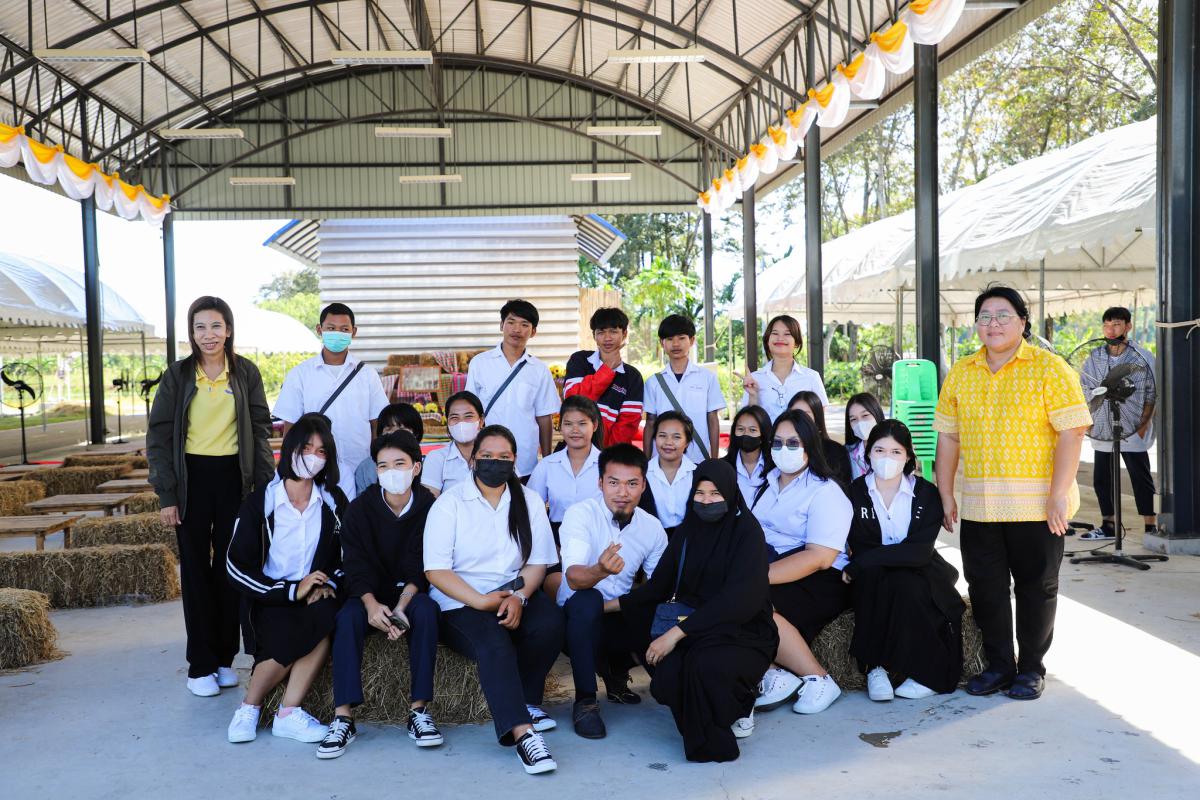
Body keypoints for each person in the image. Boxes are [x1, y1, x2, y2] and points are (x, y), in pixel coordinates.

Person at [934, 285, 1091, 701]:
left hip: (1038, 507)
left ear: (1023, 321)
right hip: (981, 507)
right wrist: (945, 492)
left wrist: (1058, 495)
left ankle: (1031, 668)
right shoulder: (962, 372)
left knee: (1036, 588)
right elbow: (948, 437)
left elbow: (1073, 432)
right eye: (985, 316)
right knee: (986, 589)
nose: (993, 324)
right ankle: (1000, 665)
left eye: (1003, 315)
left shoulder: (1049, 368)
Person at [148, 296, 274, 698]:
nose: (208, 335)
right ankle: (200, 664)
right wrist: (167, 494)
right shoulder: (178, 375)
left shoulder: (246, 372)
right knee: (196, 572)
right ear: (191, 332)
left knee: (229, 570)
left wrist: (265, 489)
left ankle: (223, 659)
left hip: (234, 479)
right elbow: (159, 437)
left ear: (229, 330)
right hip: (192, 481)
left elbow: (260, 430)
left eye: (216, 326)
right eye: (200, 327)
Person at [424, 425, 565, 775]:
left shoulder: (528, 500)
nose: (495, 463)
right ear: (473, 460)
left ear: (514, 461)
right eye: (487, 456)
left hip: (512, 591)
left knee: (550, 623)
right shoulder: (449, 503)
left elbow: (538, 562)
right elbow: (436, 571)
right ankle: (523, 733)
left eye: (504, 457)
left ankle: (526, 701)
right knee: (495, 643)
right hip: (460, 600)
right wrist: (480, 602)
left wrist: (520, 596)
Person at [620, 460, 778, 763]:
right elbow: (659, 586)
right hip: (692, 625)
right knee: (668, 675)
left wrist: (677, 633)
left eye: (715, 493)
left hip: (741, 629)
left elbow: (740, 599)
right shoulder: (688, 530)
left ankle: (737, 704)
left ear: (730, 494)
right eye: (700, 493)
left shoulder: (746, 531)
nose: (706, 501)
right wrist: (610, 606)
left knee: (704, 667)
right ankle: (721, 711)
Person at [225, 413, 348, 745]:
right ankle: (249, 707)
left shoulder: (333, 501)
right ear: (290, 448)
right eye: (306, 448)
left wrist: (327, 583)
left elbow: (350, 556)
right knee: (288, 630)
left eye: (321, 451)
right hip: (270, 596)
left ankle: (288, 713)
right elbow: (235, 565)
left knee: (326, 616)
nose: (313, 457)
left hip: (315, 596)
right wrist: (291, 590)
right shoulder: (262, 502)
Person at [319, 430, 443, 759]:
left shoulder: (430, 507)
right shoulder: (360, 509)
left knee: (426, 612)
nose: (391, 472)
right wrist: (371, 604)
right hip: (368, 592)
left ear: (416, 467)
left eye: (400, 464)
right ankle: (343, 716)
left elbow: (424, 563)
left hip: (410, 591)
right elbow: (354, 564)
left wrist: (401, 608)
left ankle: (419, 710)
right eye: (383, 465)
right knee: (347, 619)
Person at [845, 420, 965, 701]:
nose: (886, 458)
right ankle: (875, 667)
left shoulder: (926, 493)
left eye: (896, 452)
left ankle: (925, 672)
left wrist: (862, 562)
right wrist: (865, 563)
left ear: (908, 456)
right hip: (873, 574)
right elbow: (860, 543)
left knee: (907, 586)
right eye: (879, 450)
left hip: (919, 567)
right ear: (868, 453)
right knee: (875, 583)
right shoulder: (854, 493)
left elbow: (919, 551)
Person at [557, 444, 668, 739]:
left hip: (617, 612)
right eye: (614, 482)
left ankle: (619, 672)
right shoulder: (580, 515)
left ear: (643, 485)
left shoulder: (652, 527)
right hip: (575, 620)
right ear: (600, 483)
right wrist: (600, 570)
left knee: (655, 611)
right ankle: (585, 701)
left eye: (632, 483)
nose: (622, 492)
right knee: (588, 599)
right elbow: (574, 579)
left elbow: (659, 586)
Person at [751, 410, 853, 716]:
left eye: (793, 443)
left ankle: (819, 679)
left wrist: (755, 578)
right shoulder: (768, 484)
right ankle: (774, 674)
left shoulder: (825, 491)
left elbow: (819, 557)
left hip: (820, 577)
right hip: (772, 565)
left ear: (809, 445)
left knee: (749, 600)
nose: (784, 449)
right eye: (778, 442)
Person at [274, 302, 390, 500]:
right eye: (331, 328)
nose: (337, 333)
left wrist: (376, 462)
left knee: (357, 516)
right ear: (320, 330)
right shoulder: (300, 375)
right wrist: (288, 468)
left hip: (359, 468)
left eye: (344, 329)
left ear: (354, 332)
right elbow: (290, 428)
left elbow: (376, 424)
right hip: (314, 470)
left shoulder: (367, 375)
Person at [1079, 306, 1158, 539]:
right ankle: (1109, 525)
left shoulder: (1142, 356)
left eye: (1116, 324)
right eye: (1106, 325)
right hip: (1102, 424)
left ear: (1128, 326)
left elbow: (1151, 392)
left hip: (1132, 425)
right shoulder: (1095, 356)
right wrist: (1089, 422)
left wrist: (1143, 424)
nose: (1110, 330)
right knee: (1102, 479)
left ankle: (1150, 525)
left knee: (1140, 477)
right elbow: (1084, 387)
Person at [466, 299, 560, 480]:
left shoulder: (539, 369)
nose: (517, 329)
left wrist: (547, 461)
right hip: (487, 455)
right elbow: (470, 412)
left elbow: (544, 418)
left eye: (524, 324)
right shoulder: (480, 363)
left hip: (525, 461)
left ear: (533, 332)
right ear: (501, 325)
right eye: (511, 322)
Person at [528, 395, 604, 600]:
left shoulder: (607, 464)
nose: (575, 430)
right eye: (568, 424)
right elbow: (531, 510)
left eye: (582, 423)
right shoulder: (547, 465)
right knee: (558, 586)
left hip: (598, 540)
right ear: (560, 426)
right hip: (556, 541)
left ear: (595, 425)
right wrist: (551, 545)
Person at [643, 314, 726, 463]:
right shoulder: (653, 382)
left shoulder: (707, 378)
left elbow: (713, 419)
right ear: (662, 343)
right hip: (662, 460)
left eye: (681, 338)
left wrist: (714, 461)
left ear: (692, 340)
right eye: (669, 339)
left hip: (699, 458)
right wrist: (646, 462)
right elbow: (650, 423)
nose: (676, 344)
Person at [564, 307, 645, 446]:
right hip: (575, 448)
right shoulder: (579, 360)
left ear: (624, 334)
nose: (607, 338)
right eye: (601, 332)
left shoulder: (632, 376)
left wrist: (607, 454)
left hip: (612, 453)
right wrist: (607, 369)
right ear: (594, 335)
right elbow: (574, 401)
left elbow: (628, 424)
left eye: (613, 331)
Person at [740, 314, 829, 421]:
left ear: (797, 342)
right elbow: (747, 422)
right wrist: (753, 395)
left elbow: (820, 419)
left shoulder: (812, 377)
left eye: (787, 334)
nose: (780, 338)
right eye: (775, 333)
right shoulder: (754, 379)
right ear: (767, 341)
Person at [643, 411, 698, 535]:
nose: (668, 442)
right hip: (652, 541)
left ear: (687, 442)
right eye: (662, 435)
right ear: (654, 438)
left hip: (690, 541)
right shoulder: (641, 474)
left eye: (676, 437)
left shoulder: (698, 473)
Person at [421, 391, 485, 496]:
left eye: (468, 416)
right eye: (454, 417)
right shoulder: (436, 458)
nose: (461, 423)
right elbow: (430, 500)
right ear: (447, 422)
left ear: (481, 421)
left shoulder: (495, 455)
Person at [353, 402, 424, 496]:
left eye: (402, 429)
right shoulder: (366, 468)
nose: (395, 435)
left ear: (416, 434)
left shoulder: (429, 466)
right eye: (389, 430)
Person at [788, 390, 853, 487]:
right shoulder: (782, 449)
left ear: (817, 418)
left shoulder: (836, 452)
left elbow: (844, 487)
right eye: (795, 414)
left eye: (806, 414)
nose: (800, 420)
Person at [722, 405, 771, 502]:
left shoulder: (775, 467)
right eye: (740, 429)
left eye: (753, 430)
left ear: (763, 435)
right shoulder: (723, 467)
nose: (745, 434)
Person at [844, 392, 887, 481]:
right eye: (853, 419)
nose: (860, 423)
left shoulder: (897, 449)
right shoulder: (846, 453)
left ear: (876, 413)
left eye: (865, 415)